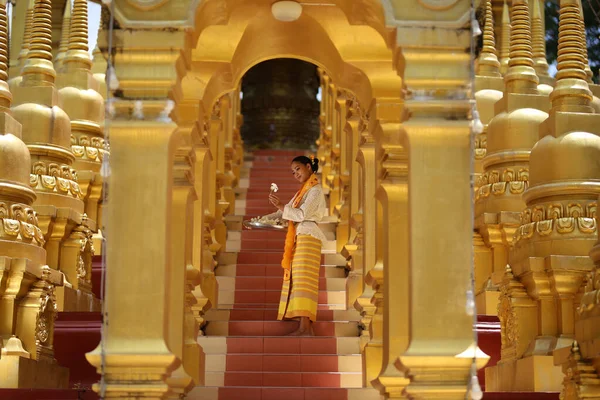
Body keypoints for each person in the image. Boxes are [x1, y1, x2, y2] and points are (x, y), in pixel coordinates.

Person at [266, 155, 327, 336]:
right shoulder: (304, 191)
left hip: (308, 236)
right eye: (293, 172)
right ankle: (304, 328)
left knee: (303, 282)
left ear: (308, 166)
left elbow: (299, 215)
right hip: (302, 236)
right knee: (300, 282)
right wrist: (261, 220)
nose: (295, 174)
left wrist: (281, 206)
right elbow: (287, 212)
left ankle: (306, 329)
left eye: (298, 169)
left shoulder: (315, 190)